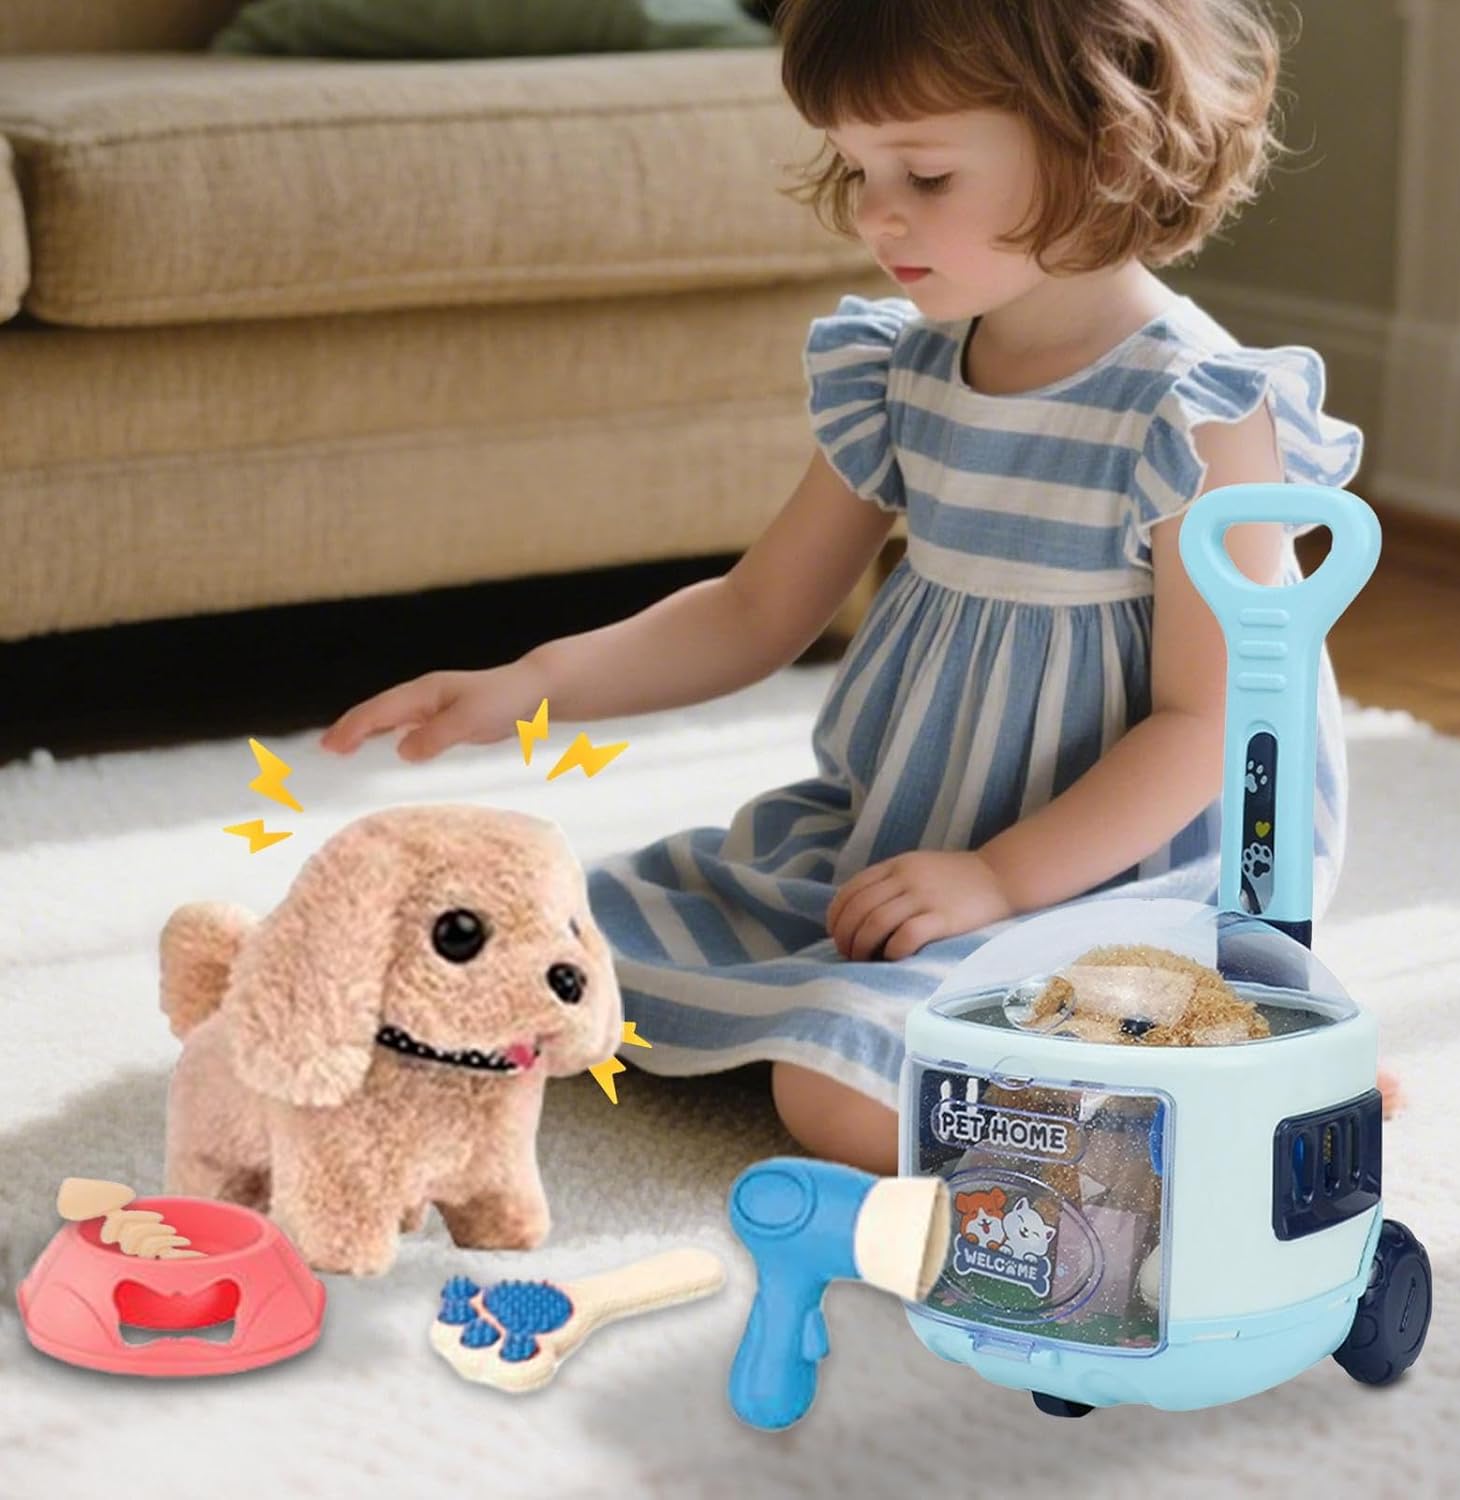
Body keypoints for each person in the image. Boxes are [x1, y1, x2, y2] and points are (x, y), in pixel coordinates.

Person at [323, 0, 1396, 1172]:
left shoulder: (1199, 410)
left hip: (1121, 877)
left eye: (926, 176)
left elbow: (1211, 726)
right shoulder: (905, 367)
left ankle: (1240, 1096)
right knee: (544, 945)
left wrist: (1000, 879)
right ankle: (1175, 1069)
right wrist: (527, 684)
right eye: (858, 169)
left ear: (1100, 144)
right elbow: (753, 611)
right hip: (907, 841)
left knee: (837, 1092)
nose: (877, 214)